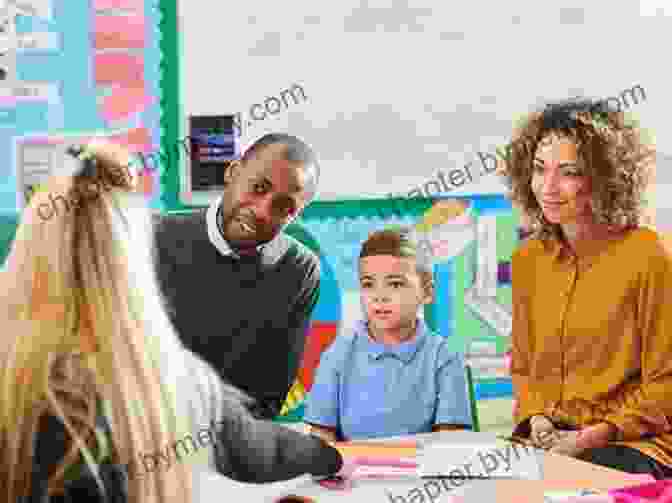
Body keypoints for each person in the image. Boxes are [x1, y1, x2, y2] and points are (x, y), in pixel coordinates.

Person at [0, 140, 346, 502]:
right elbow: (259, 448)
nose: (261, 210)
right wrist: (329, 456)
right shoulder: (171, 382)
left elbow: (262, 420)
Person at [500, 98, 672, 478]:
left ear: (605, 178)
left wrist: (588, 438)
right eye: (539, 170)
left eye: (569, 172)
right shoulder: (527, 261)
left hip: (633, 443)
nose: (549, 187)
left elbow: (666, 384)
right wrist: (537, 418)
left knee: (564, 480)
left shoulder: (650, 255)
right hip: (552, 439)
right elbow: (525, 367)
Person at [153, 133, 321, 419]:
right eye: (258, 188)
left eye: (283, 207)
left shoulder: (298, 270)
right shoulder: (153, 238)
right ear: (232, 173)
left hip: (231, 444)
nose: (261, 210)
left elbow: (269, 397)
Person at [304, 228, 473, 441]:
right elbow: (321, 437)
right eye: (368, 284)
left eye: (395, 284)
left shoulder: (444, 357)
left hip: (422, 472)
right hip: (352, 473)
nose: (379, 296)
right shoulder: (337, 355)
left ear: (427, 292)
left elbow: (450, 443)